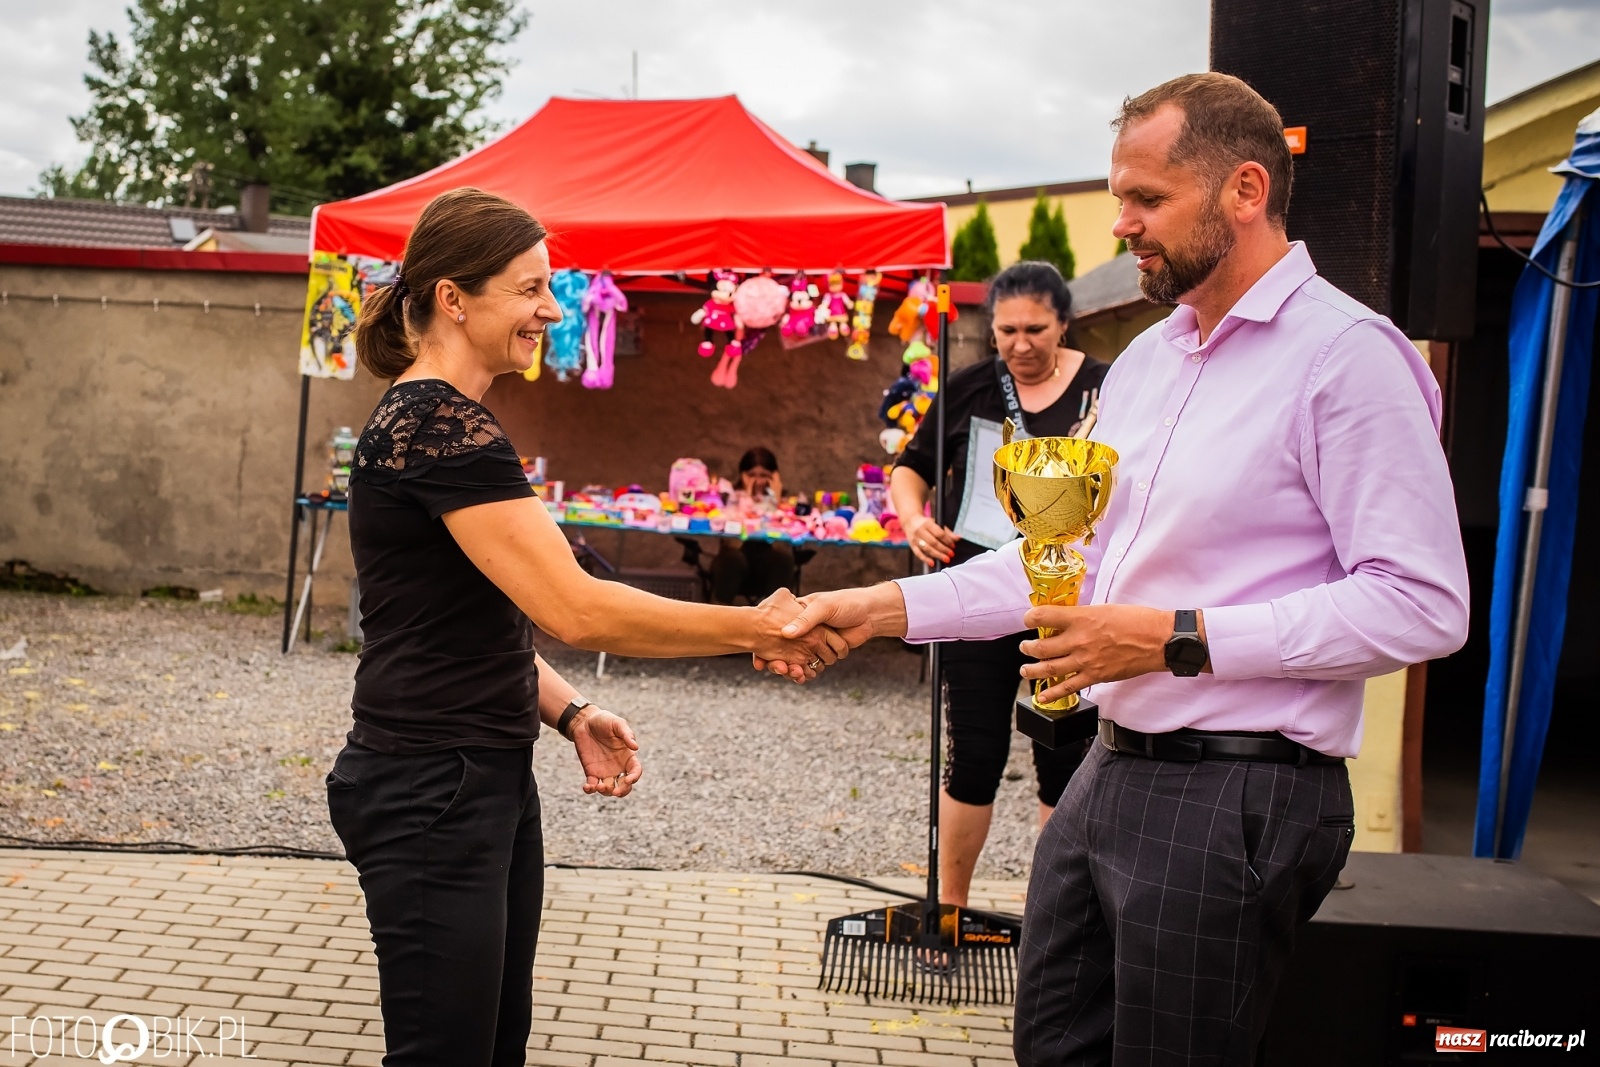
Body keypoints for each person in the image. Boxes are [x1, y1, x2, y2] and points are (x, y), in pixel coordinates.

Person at [761, 74, 1469, 1065]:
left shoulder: (1349, 357)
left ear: (1245, 189)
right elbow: (1059, 564)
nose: (1120, 225)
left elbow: (1421, 603)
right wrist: (875, 606)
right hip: (1112, 768)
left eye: (1146, 199)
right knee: (1050, 1044)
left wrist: (1173, 635)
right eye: (1117, 197)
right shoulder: (1144, 361)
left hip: (1244, 788)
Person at [329, 187, 844, 1067]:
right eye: (530, 289)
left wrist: (569, 711)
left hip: (472, 775)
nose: (551, 310)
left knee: (494, 1046)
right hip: (430, 785)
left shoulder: (444, 423)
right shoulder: (437, 425)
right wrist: (755, 627)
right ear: (454, 297)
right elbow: (572, 605)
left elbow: (462, 624)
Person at [891, 260, 1109, 907]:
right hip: (978, 598)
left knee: (1064, 763)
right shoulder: (969, 388)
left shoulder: (1106, 390)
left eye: (1035, 329)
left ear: (1064, 322)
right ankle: (951, 907)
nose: (1019, 344)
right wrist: (912, 519)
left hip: (1069, 604)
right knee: (975, 755)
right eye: (1006, 330)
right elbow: (910, 468)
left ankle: (1053, 915)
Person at [709, 446, 797, 603]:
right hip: (738, 559)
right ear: (743, 475)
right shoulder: (729, 498)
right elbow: (732, 543)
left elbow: (781, 545)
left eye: (764, 475)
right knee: (731, 559)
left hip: (767, 562)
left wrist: (774, 502)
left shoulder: (785, 505)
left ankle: (777, 617)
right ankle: (719, 616)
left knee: (783, 559)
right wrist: (746, 501)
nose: (758, 481)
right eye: (752, 475)